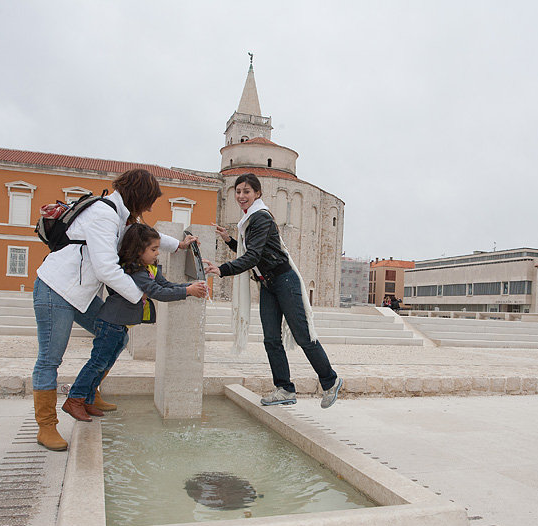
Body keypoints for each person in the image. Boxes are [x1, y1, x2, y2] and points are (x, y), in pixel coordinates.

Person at [32, 168, 197, 451]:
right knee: (50, 359)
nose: (149, 207)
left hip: (81, 294)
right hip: (56, 289)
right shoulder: (104, 214)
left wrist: (179, 245)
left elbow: (142, 236)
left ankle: (88, 394)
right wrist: (139, 296)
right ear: (137, 195)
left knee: (115, 337)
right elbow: (106, 268)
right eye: (148, 200)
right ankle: (46, 426)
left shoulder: (121, 216)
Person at [202, 173, 342, 409]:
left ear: (257, 193)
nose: (241, 196)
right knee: (271, 339)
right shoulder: (249, 220)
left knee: (303, 335)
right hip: (268, 283)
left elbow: (252, 256)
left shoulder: (261, 218)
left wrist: (222, 269)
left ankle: (330, 380)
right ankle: (285, 388)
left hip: (284, 281)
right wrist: (228, 240)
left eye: (246, 191)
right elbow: (249, 251)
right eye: (238, 191)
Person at [61, 224, 207, 421]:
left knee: (105, 364)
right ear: (138, 251)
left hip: (120, 326)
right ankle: (74, 399)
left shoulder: (149, 268)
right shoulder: (135, 272)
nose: (157, 254)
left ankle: (88, 399)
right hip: (110, 323)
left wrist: (188, 287)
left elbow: (164, 285)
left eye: (158, 249)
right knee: (97, 363)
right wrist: (188, 291)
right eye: (153, 250)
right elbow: (158, 292)